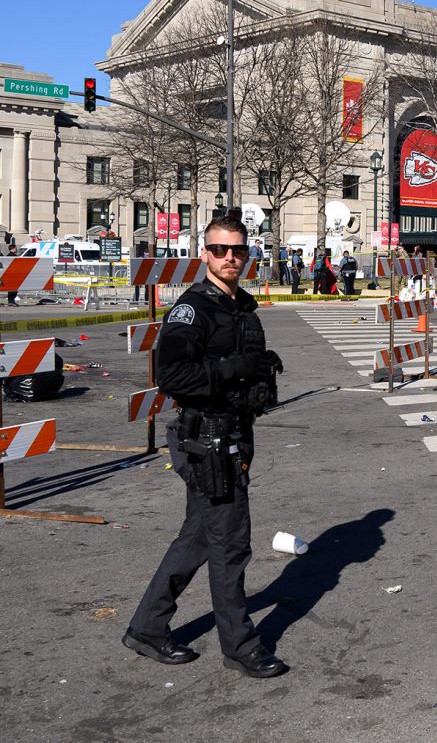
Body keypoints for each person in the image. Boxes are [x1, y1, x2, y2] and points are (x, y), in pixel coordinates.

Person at [124, 212, 287, 678]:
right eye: (220, 250)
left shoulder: (242, 306)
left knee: (199, 536)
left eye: (237, 250)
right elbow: (172, 375)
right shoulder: (192, 310)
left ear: (248, 253)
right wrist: (233, 369)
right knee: (231, 543)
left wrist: (259, 367)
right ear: (205, 254)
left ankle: (148, 627)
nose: (229, 257)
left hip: (234, 432)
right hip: (207, 439)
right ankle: (241, 646)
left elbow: (242, 363)